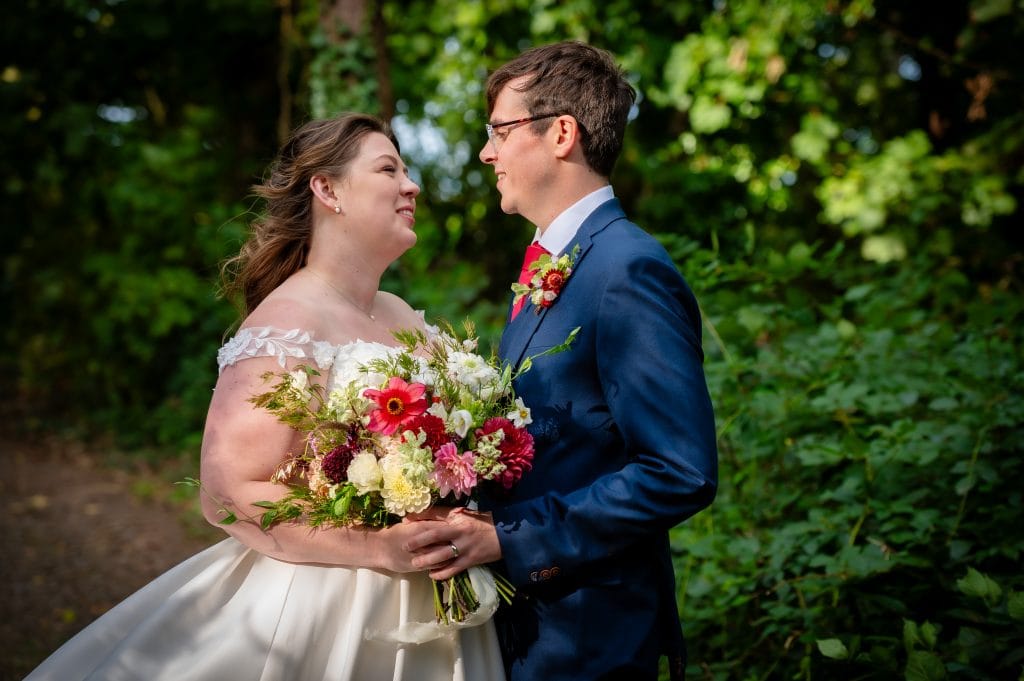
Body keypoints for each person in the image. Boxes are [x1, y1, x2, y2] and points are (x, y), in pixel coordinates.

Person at [24, 113, 505, 681]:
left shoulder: (401, 313)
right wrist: (378, 547)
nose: (412, 185)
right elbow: (226, 492)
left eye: (407, 170)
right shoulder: (286, 320)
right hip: (330, 600)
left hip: (438, 592)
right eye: (388, 169)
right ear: (327, 190)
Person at [403, 41, 718, 680]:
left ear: (562, 134)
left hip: (589, 632)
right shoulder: (557, 263)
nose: (486, 152)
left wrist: (510, 538)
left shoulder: (628, 268)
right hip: (529, 625)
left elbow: (679, 470)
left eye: (499, 130)